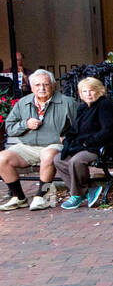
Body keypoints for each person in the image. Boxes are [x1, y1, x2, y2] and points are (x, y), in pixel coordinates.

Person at [1, 69, 75, 211]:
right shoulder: (23, 103)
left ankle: (42, 196)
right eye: (37, 85)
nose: (41, 88)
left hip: (54, 146)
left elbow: (81, 127)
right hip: (28, 147)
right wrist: (25, 124)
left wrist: (66, 139)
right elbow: (9, 127)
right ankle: (19, 197)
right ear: (31, 86)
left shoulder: (67, 103)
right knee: (1, 158)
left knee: (48, 154)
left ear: (53, 85)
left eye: (46, 84)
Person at [54, 77, 113, 209]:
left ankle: (76, 195)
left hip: (105, 146)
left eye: (91, 90)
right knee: (58, 159)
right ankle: (88, 190)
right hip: (85, 146)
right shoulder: (83, 108)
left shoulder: (105, 105)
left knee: (77, 161)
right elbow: (75, 130)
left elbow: (109, 131)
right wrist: (68, 140)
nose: (88, 94)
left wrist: (88, 143)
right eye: (84, 91)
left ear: (99, 91)